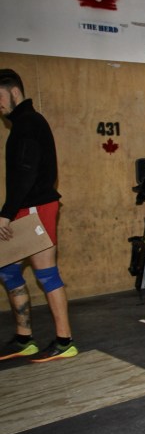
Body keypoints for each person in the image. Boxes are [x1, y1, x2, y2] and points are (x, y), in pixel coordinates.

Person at [0, 69, 78, 362]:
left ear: (14, 91)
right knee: (7, 269)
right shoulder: (21, 124)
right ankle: (24, 338)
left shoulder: (30, 123)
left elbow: (26, 172)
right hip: (24, 208)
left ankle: (64, 341)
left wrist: (6, 214)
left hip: (37, 208)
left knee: (46, 274)